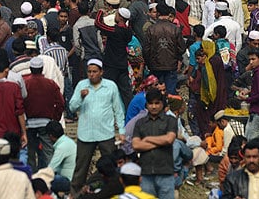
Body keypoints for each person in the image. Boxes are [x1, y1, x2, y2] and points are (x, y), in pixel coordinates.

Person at [68, 58, 125, 194]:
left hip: (105, 133)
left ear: (101, 72)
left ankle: (111, 192)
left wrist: (122, 131)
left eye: (94, 71)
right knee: (81, 168)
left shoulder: (110, 86)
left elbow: (118, 109)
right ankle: (75, 194)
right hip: (86, 134)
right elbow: (71, 107)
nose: (91, 74)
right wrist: (81, 97)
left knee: (110, 165)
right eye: (89, 72)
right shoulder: (82, 85)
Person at [131, 89, 177, 199]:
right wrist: (161, 142)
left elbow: (169, 139)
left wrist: (147, 139)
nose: (154, 106)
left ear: (162, 104)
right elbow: (136, 145)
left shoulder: (170, 120)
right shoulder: (140, 123)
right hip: (146, 172)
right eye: (151, 103)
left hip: (165, 172)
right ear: (146, 105)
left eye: (157, 103)